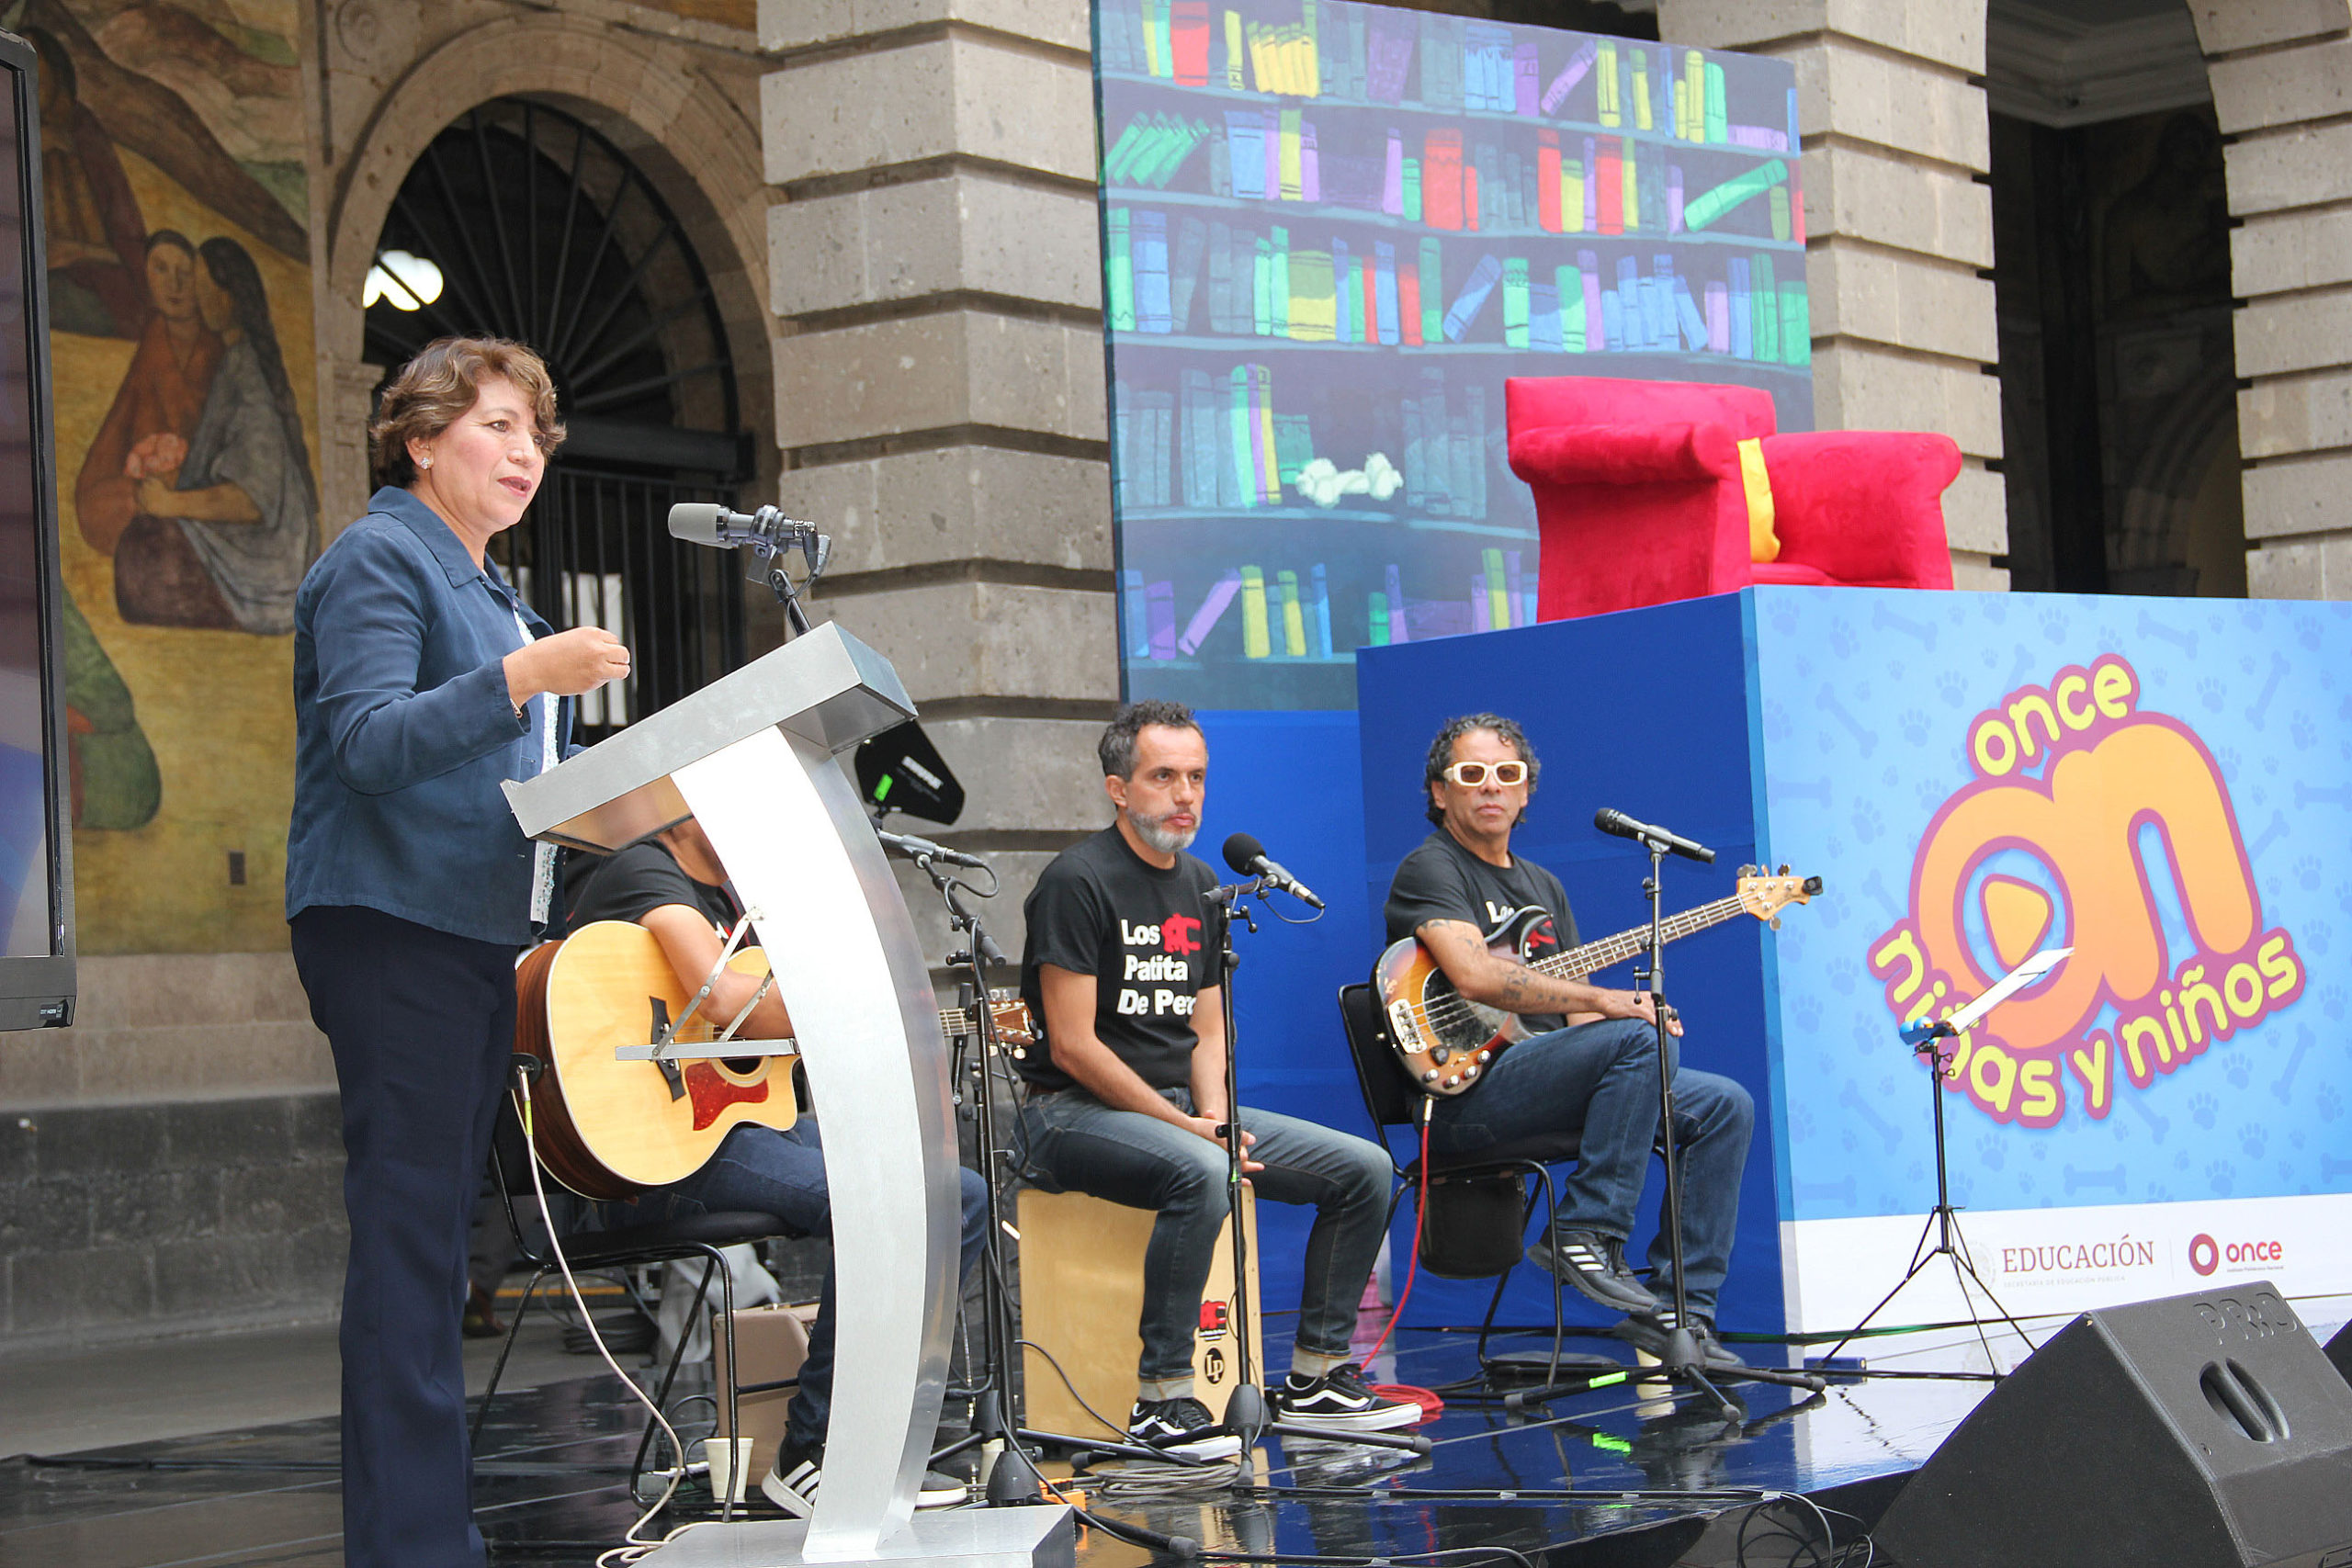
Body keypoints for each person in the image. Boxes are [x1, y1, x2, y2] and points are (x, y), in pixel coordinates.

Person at [286, 335, 630, 1568]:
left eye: (534, 433)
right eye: (494, 425)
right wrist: (523, 675)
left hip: (475, 928)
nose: (523, 450)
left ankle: (428, 1528)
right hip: (391, 925)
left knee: (434, 1241)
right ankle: (412, 1544)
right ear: (421, 439)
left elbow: (522, 782)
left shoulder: (492, 591)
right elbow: (373, 742)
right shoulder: (381, 558)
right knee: (409, 1239)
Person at [1016, 699, 1418, 1459]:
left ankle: (1320, 1374)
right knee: (1202, 1170)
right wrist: (1193, 1133)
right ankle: (1163, 1400)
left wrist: (1216, 1116)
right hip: (1068, 1114)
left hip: (1175, 1114)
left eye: (1196, 776)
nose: (1185, 793)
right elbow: (1071, 1046)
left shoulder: (1201, 883)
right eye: (1163, 775)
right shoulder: (1076, 880)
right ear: (1118, 788)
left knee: (1363, 1169)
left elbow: (1207, 1029)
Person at [563, 816, 989, 1517]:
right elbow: (726, 997)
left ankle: (880, 1438)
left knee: (956, 1195)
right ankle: (813, 1451)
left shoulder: (741, 901)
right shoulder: (646, 869)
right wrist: (859, 1007)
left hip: (739, 1125)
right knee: (878, 1203)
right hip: (655, 1146)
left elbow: (764, 1037)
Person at [1383, 714, 1756, 1370]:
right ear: (1440, 792)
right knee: (1634, 1037)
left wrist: (1631, 1023)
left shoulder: (1542, 885)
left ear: (1527, 791)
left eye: (1508, 774)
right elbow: (1474, 974)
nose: (1490, 787)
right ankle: (1586, 1228)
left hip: (1543, 1082)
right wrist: (1612, 1006)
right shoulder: (1430, 867)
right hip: (1470, 1095)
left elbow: (1583, 1020)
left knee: (1724, 1102)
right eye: (1471, 775)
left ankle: (1681, 1317)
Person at [123, 235, 318, 631]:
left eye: (200, 286)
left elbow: (251, 500)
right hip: (235, 544)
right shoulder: (235, 360)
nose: (192, 295)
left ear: (226, 298)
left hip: (263, 564)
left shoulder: (250, 377)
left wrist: (170, 505)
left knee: (141, 558)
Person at [74, 230, 220, 551]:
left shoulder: (216, 346)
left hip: (201, 484)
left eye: (185, 273)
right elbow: (122, 420)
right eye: (161, 269)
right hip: (154, 480)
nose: (174, 284)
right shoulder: (154, 338)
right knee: (99, 504)